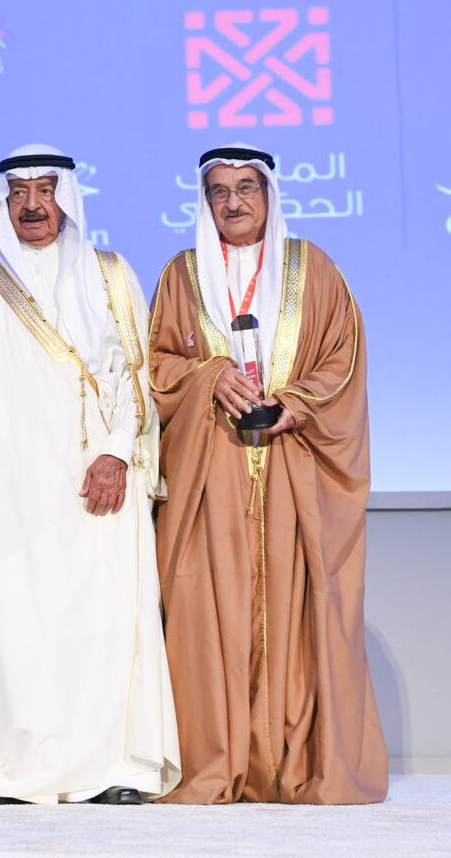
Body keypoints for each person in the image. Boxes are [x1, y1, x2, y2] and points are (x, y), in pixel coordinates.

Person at [0, 144, 180, 805]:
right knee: (13, 625)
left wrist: (117, 454)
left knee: (102, 622)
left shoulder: (110, 272)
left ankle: (113, 769)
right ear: (3, 202)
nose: (32, 205)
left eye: (45, 190)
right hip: (6, 487)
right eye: (19, 193)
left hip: (95, 484)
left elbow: (136, 374)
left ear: (67, 197)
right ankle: (9, 772)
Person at [148, 145, 388, 804]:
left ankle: (291, 765)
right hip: (212, 472)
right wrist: (209, 376)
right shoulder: (181, 274)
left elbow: (342, 357)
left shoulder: (314, 269)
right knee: (205, 612)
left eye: (246, 188)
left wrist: (297, 404)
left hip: (291, 468)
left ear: (269, 195)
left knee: (297, 612)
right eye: (219, 192)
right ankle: (215, 762)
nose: (233, 203)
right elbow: (155, 364)